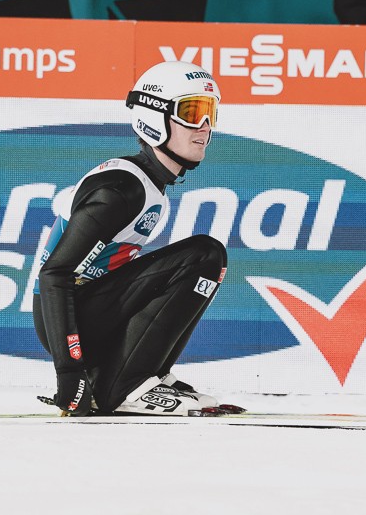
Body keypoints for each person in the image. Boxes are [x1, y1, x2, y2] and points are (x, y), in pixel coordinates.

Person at [32, 60, 231, 417]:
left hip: (85, 313)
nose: (204, 126)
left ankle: (147, 375)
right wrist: (69, 372)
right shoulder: (122, 191)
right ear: (155, 118)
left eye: (210, 113)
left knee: (205, 261)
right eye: (191, 113)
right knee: (205, 256)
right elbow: (54, 275)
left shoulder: (149, 186)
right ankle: (124, 387)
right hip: (68, 322)